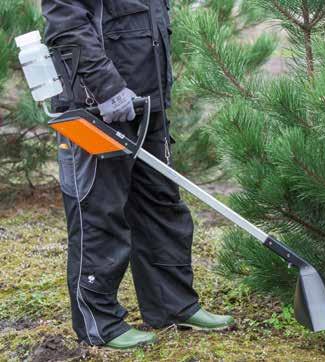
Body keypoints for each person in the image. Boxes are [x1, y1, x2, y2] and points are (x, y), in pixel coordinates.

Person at [42, 0, 234, 349]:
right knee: (99, 212)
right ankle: (100, 323)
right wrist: (107, 86)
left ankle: (173, 305)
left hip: (148, 100)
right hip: (98, 105)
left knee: (161, 203)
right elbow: (65, 22)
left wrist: (155, 94)